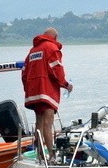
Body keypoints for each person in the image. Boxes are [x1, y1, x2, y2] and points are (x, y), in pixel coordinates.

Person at [21, 27, 73, 160]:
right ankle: (51, 155)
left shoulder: (32, 51)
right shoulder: (51, 48)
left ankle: (39, 154)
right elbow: (57, 70)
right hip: (46, 91)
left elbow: (24, 73)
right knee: (48, 122)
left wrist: (28, 89)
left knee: (39, 122)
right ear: (55, 37)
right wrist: (66, 85)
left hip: (33, 92)